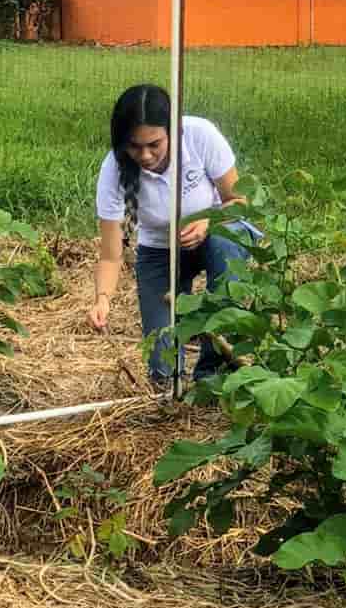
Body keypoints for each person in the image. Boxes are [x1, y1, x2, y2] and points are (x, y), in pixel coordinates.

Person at [87, 84, 253, 386]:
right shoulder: (113, 170)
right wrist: (102, 300)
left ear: (172, 132)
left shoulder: (201, 135)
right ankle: (172, 384)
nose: (145, 155)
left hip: (217, 232)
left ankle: (211, 375)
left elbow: (239, 201)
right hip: (159, 249)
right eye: (134, 146)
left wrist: (208, 221)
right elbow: (111, 255)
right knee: (163, 370)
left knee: (227, 249)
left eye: (154, 144)